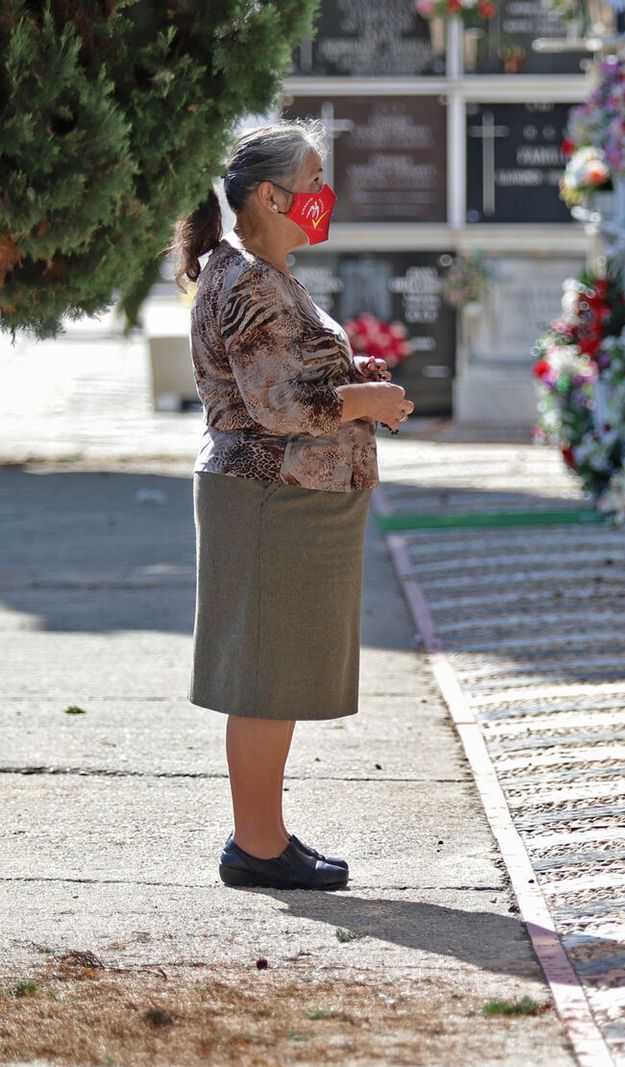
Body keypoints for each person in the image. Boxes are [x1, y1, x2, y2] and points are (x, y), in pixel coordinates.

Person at [170, 120, 413, 891]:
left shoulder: (259, 271)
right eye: (313, 180)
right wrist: (365, 399)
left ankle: (264, 836)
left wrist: (351, 374)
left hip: (288, 496)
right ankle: (256, 844)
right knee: (265, 678)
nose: (323, 194)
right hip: (271, 496)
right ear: (271, 197)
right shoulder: (247, 279)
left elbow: (286, 376)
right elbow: (275, 406)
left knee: (275, 674)